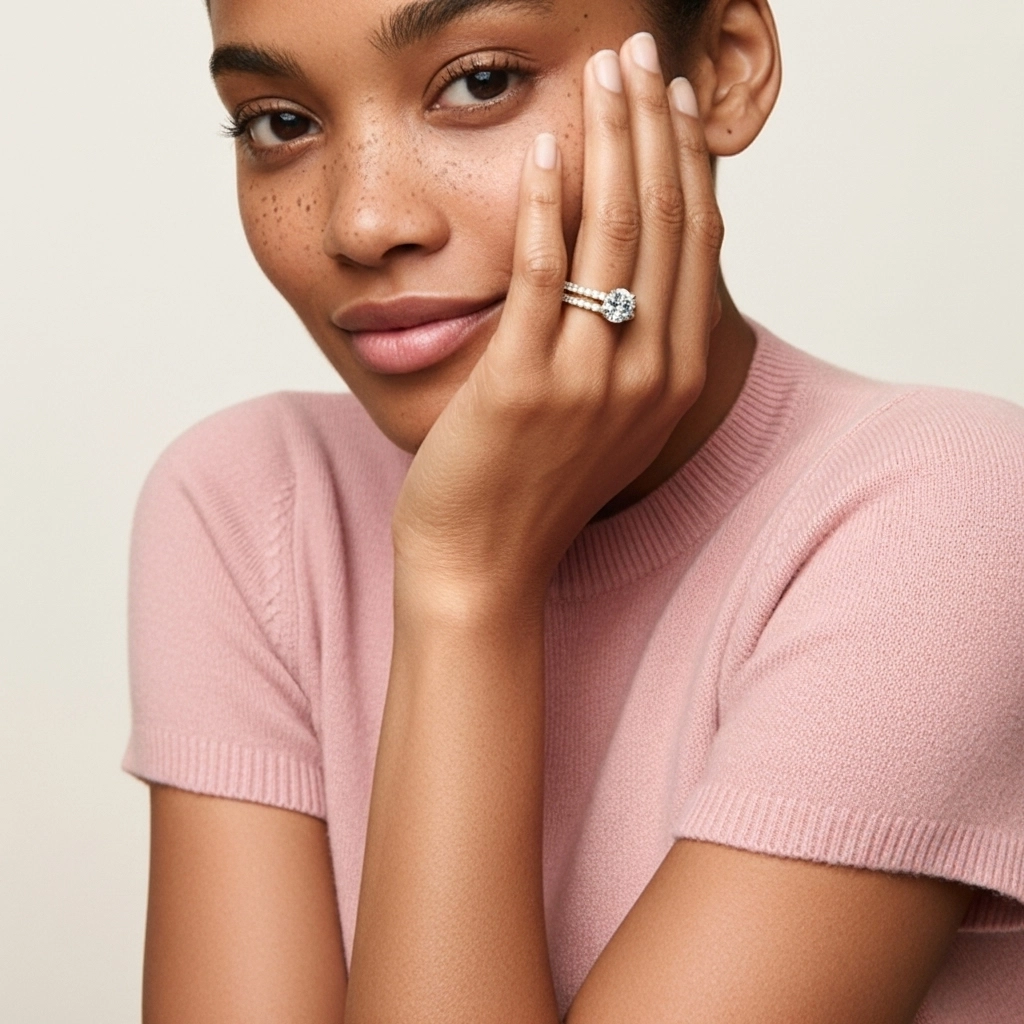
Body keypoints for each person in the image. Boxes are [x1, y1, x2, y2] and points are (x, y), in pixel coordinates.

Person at [122, 0, 1024, 1020]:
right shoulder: (254, 506)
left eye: (481, 82)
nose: (363, 222)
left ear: (725, 67)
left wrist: (466, 581)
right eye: (279, 123)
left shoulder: (956, 512)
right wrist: (463, 574)